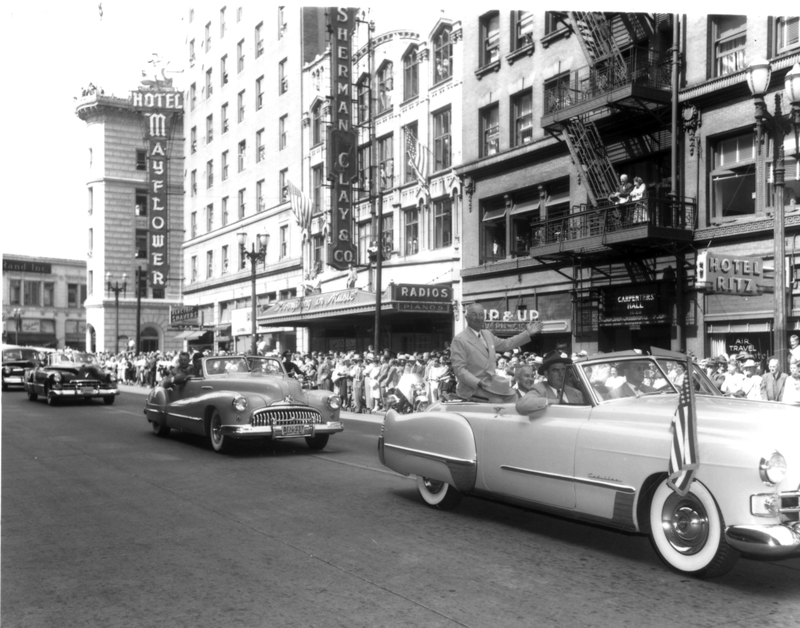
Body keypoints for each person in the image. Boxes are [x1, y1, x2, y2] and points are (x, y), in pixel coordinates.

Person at [450, 303, 544, 401]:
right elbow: (459, 370)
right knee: (498, 402)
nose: (478, 318)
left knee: (514, 397)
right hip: (472, 388)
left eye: (481, 315)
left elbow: (506, 344)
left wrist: (527, 333)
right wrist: (478, 382)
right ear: (466, 317)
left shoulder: (487, 334)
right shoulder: (459, 340)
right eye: (474, 314)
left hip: (492, 385)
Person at [517, 351, 585, 413]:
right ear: (546, 374)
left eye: (563, 370)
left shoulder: (576, 393)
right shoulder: (539, 389)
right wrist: (552, 401)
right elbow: (521, 404)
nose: (561, 374)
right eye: (555, 370)